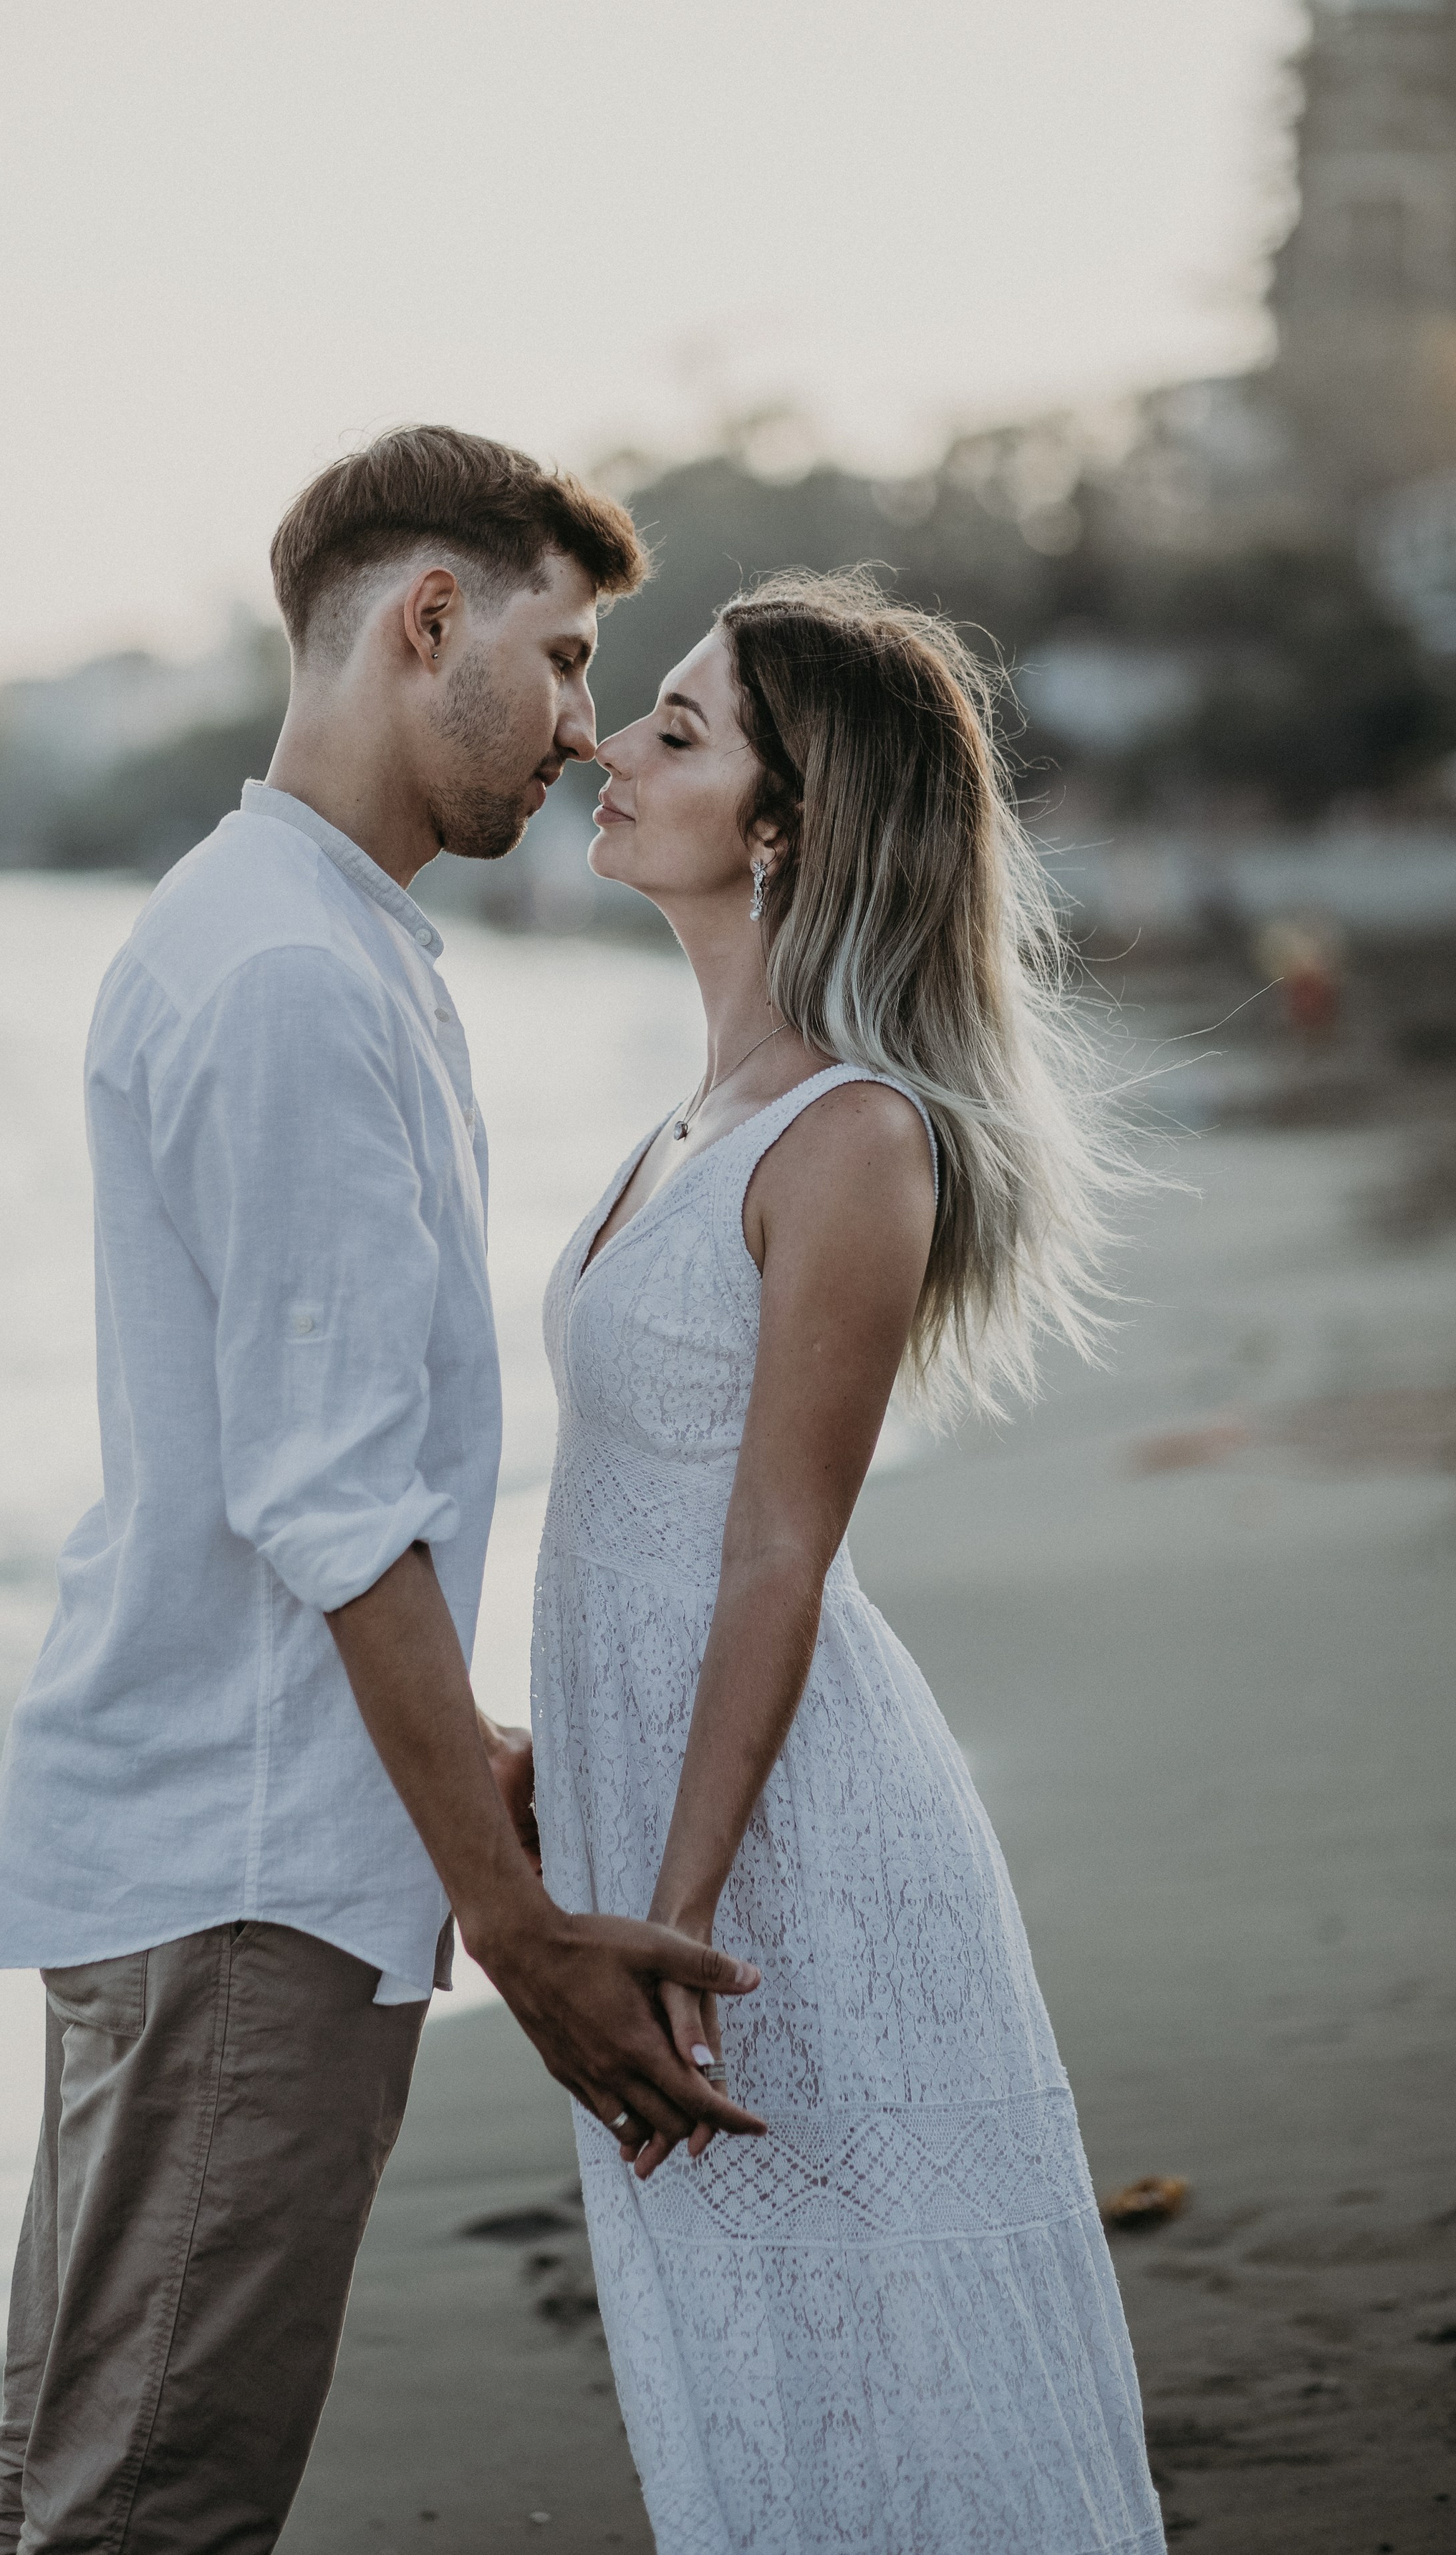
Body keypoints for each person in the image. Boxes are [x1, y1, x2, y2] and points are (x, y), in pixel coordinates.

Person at [0, 426, 766, 2555]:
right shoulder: (293, 977)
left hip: (233, 1833)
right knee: (147, 2511)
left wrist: (474, 1758)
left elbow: (305, 1477)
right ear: (432, 624)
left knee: (87, 2491)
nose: (589, 730)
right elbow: (327, 1512)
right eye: (572, 657)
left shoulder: (312, 942)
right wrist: (514, 1926)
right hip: (247, 1875)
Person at [531, 569, 1164, 2552]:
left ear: (787, 829)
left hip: (778, 1841)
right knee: (744, 2342)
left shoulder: (853, 1138)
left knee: (874, 2345)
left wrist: (675, 1917)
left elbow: (779, 1558)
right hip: (660, 1794)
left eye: (680, 733)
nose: (606, 750)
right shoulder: (690, 1122)